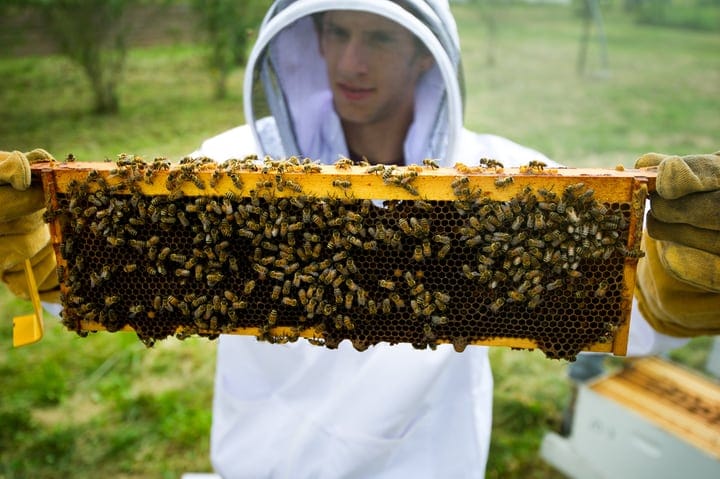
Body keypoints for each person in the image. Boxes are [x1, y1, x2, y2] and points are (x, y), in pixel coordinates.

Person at [0, 1, 718, 477]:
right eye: (334, 32)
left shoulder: (503, 179)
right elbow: (122, 280)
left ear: (426, 56)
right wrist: (47, 259)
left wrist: (670, 287)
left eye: (379, 37)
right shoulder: (229, 166)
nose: (351, 62)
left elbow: (620, 312)